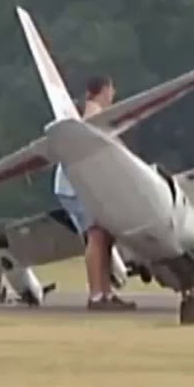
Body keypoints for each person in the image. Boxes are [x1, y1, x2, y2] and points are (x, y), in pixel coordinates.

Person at [53, 75, 135, 310]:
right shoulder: (93, 114)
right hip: (77, 185)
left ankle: (106, 293)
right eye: (111, 89)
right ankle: (96, 295)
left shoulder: (96, 115)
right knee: (96, 234)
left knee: (106, 235)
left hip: (88, 184)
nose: (114, 94)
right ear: (104, 90)